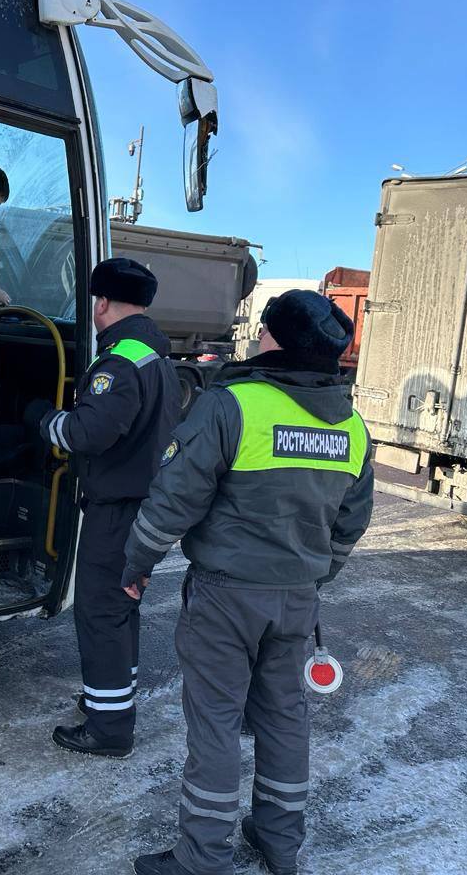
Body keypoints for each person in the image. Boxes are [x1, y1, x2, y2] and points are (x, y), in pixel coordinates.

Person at [121, 290, 375, 875]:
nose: (258, 336)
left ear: (275, 340)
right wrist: (313, 579)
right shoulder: (353, 427)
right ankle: (280, 842)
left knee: (215, 723)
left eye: (263, 328)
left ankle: (202, 857)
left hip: (225, 595)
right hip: (297, 602)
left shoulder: (232, 405)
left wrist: (136, 564)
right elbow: (349, 525)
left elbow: (173, 502)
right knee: (285, 718)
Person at [24, 257, 180, 758]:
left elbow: (88, 433)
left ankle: (109, 730)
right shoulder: (153, 354)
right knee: (120, 611)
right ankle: (108, 702)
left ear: (103, 303)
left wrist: (40, 417)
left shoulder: (119, 360)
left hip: (117, 512)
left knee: (102, 615)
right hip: (141, 506)